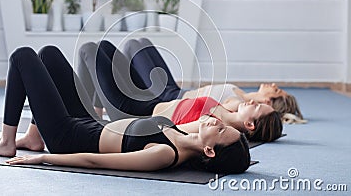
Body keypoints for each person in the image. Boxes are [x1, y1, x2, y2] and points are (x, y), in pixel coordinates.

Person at [0, 46, 250, 174]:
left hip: (67, 136)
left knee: (22, 57)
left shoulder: (166, 154)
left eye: (222, 130)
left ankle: (6, 141)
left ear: (210, 151)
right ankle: (33, 137)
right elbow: (201, 118)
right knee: (49, 54)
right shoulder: (184, 134)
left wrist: (46, 160)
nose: (217, 123)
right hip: (86, 120)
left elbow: (97, 162)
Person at [78, 41, 283, 142]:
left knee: (88, 50)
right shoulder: (229, 110)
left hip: (132, 111)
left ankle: (86, 119)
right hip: (148, 98)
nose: (254, 103)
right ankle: (94, 116)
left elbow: (173, 137)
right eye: (258, 102)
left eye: (257, 108)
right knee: (105, 47)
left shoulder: (214, 126)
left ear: (250, 124)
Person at [122, 38, 304, 123]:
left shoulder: (238, 104)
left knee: (132, 46)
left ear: (268, 102)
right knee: (142, 42)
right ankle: (119, 93)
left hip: (168, 97)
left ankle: (117, 97)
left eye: (277, 90)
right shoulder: (242, 94)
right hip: (175, 89)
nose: (273, 85)